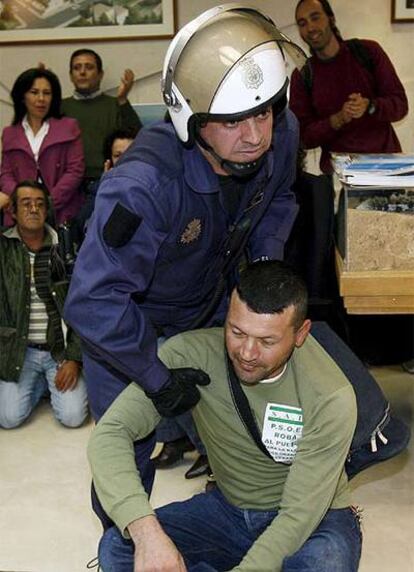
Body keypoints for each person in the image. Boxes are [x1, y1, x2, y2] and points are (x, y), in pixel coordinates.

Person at [64, 4, 305, 515]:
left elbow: (279, 198)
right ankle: (121, 547)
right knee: (127, 455)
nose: (256, 135)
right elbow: (94, 303)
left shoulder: (280, 135)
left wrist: (263, 265)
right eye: (234, 121)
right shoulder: (143, 186)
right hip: (130, 330)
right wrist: (155, 376)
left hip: (209, 305)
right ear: (189, 120)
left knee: (240, 424)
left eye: (263, 112)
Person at [88, 261, 364, 572]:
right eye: (236, 331)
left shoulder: (330, 395)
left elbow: (298, 514)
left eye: (266, 341)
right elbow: (111, 432)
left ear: (301, 333)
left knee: (326, 563)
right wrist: (146, 531)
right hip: (229, 511)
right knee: (119, 547)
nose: (247, 352)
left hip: (314, 519)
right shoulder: (189, 356)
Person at [0, 180, 88, 429]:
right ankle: (41, 385)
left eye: (40, 204)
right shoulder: (4, 248)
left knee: (73, 418)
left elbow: (84, 308)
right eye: (25, 204)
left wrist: (74, 359)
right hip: (19, 351)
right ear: (13, 211)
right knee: (8, 418)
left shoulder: (65, 247)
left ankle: (50, 379)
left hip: (57, 351)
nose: (33, 209)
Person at [289, 0, 409, 174]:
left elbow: (400, 105)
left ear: (331, 19)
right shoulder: (302, 75)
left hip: (387, 169)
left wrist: (370, 106)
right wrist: (337, 120)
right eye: (302, 23)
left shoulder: (368, 51)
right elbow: (302, 138)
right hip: (340, 175)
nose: (310, 28)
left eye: (315, 18)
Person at [0, 68, 85, 227]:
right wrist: (21, 201)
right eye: (34, 92)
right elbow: (5, 173)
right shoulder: (10, 133)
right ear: (22, 96)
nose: (41, 99)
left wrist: (47, 203)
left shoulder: (69, 127)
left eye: (47, 93)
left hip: (61, 210)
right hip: (19, 215)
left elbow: (75, 170)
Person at [61, 49, 142, 183]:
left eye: (89, 67)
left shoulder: (114, 104)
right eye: (77, 68)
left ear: (100, 74)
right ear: (71, 75)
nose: (82, 72)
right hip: (69, 184)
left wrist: (122, 100)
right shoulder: (60, 107)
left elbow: (138, 139)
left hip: (107, 179)